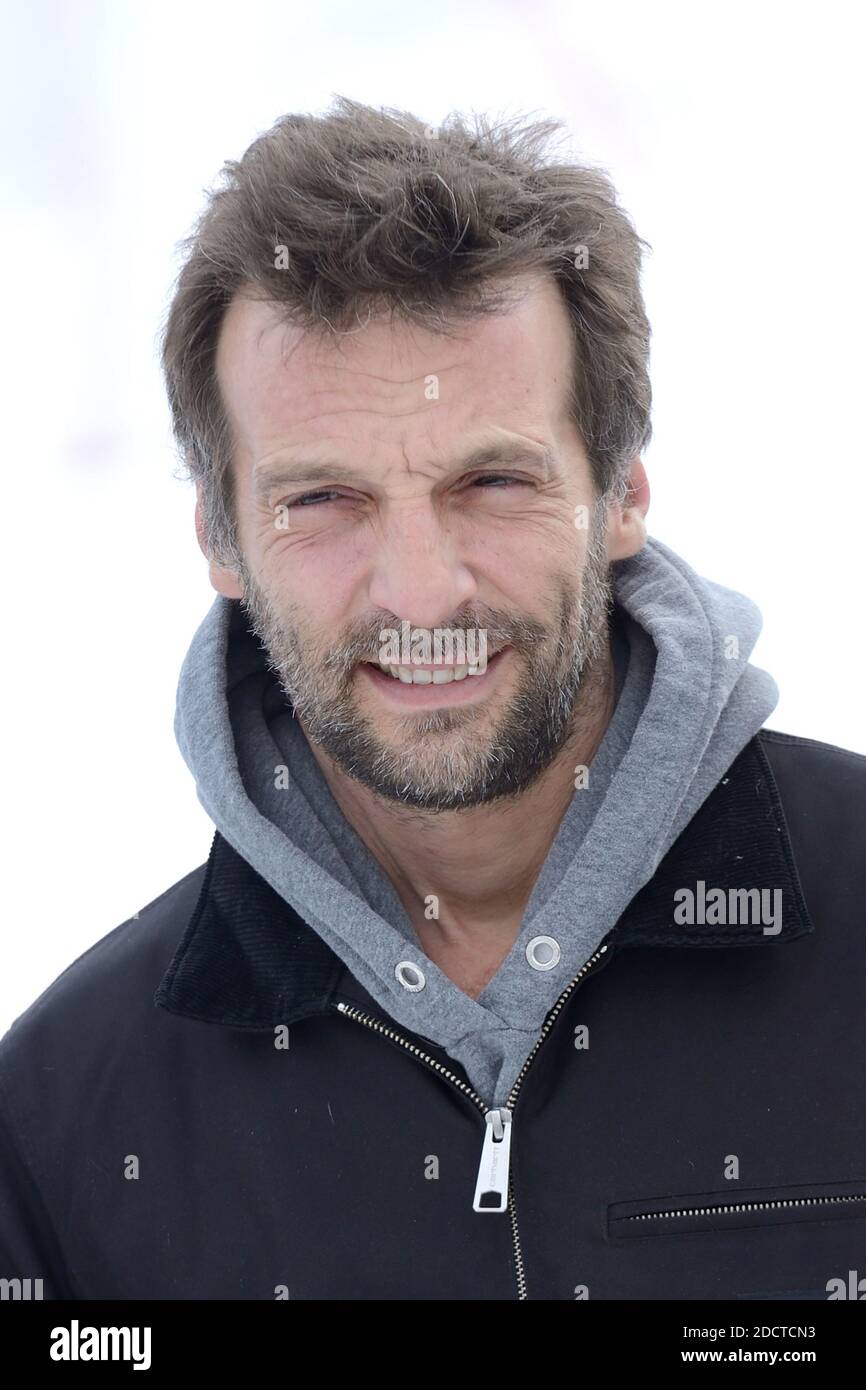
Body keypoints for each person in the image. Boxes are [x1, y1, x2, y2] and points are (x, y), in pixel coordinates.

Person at [2, 97, 864, 1302]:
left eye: (492, 479)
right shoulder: (58, 1126)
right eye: (322, 502)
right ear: (222, 536)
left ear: (618, 493)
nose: (420, 591)